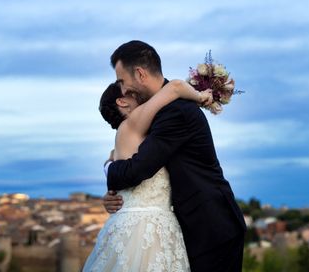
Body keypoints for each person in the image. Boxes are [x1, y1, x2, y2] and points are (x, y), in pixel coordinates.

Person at [103, 40, 247, 272]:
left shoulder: (175, 112)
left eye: (122, 81)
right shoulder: (159, 111)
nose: (123, 89)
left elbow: (138, 169)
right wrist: (118, 196)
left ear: (140, 73)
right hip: (192, 227)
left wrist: (110, 170)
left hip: (211, 227)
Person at [82, 79, 213, 271]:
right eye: (129, 91)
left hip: (151, 225)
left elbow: (113, 166)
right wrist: (201, 96)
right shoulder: (132, 124)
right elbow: (175, 87)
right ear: (122, 102)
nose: (136, 90)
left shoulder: (126, 137)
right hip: (143, 229)